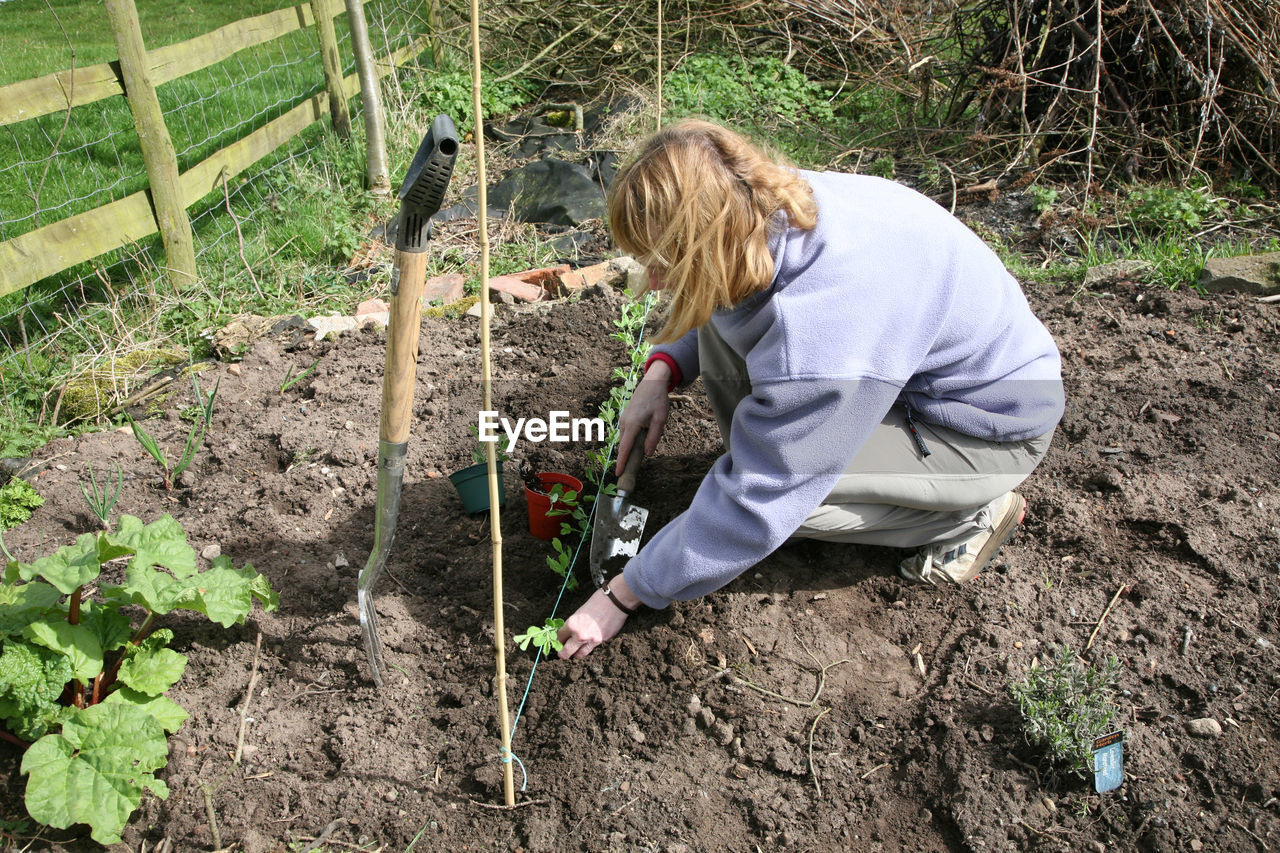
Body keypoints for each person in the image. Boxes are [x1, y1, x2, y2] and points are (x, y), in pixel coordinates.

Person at [557, 118, 1063, 660]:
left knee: (792, 507)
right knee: (739, 358)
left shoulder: (822, 322)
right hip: (903, 377)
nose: (655, 281)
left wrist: (625, 593)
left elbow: (762, 501)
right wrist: (661, 371)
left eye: (667, 262)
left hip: (983, 429)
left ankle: (970, 515)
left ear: (710, 234)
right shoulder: (764, 203)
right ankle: (796, 444)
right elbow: (724, 290)